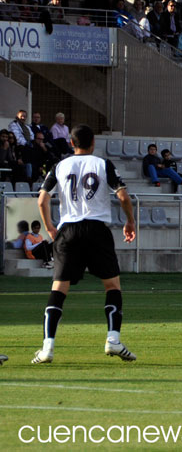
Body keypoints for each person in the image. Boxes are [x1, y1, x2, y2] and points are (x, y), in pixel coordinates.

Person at [32, 125, 136, 364]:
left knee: (58, 289)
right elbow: (123, 196)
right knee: (112, 286)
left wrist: (49, 227)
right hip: (97, 229)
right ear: (93, 144)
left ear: (71, 143)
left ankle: (47, 347)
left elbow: (42, 200)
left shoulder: (60, 165)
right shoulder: (102, 164)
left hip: (68, 231)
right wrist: (130, 222)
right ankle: (113, 340)